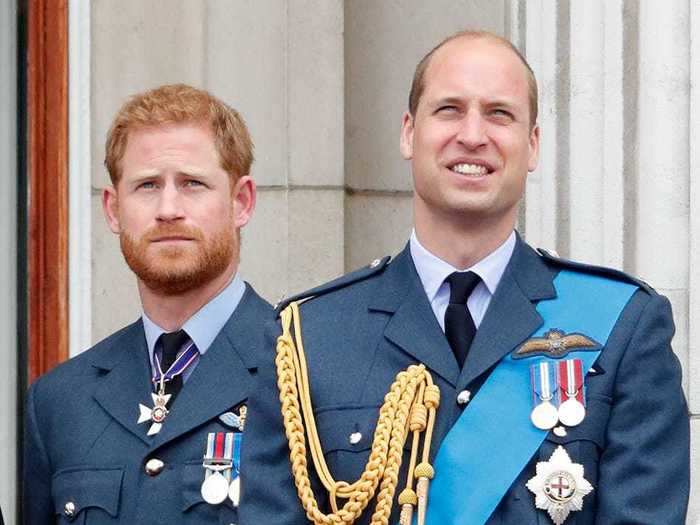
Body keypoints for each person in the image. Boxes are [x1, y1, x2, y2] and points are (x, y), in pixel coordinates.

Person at [246, 31, 690, 524]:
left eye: (499, 113)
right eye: (450, 110)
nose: (473, 135)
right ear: (409, 133)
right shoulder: (308, 338)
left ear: (533, 143)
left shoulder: (624, 327)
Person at [23, 84, 276, 523]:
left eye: (192, 183)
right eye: (146, 185)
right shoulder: (59, 402)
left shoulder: (305, 372)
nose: (168, 208)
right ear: (113, 209)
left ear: (241, 202)